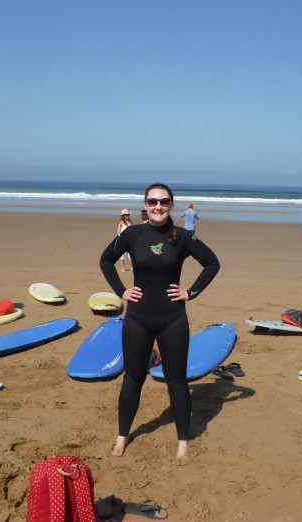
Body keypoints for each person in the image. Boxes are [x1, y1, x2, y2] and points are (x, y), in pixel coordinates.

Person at [99, 183, 220, 460]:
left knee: (177, 381)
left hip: (173, 319)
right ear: (145, 204)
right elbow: (106, 260)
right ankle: (122, 436)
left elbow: (212, 263)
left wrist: (190, 293)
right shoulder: (132, 234)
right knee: (132, 380)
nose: (158, 206)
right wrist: (121, 292)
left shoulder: (184, 237)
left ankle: (182, 442)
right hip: (138, 319)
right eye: (152, 201)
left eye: (164, 202)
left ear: (170, 205)